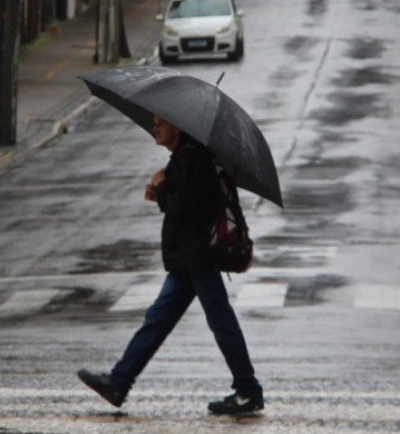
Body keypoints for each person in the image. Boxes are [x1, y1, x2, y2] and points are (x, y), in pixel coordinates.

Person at [77, 114, 264, 415]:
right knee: (159, 319)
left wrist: (163, 187)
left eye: (160, 123)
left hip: (196, 256)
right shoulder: (188, 154)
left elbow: (185, 207)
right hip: (188, 257)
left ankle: (248, 390)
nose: (154, 127)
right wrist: (162, 192)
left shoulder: (192, 157)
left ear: (177, 125)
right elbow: (183, 202)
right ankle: (119, 381)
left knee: (219, 319)